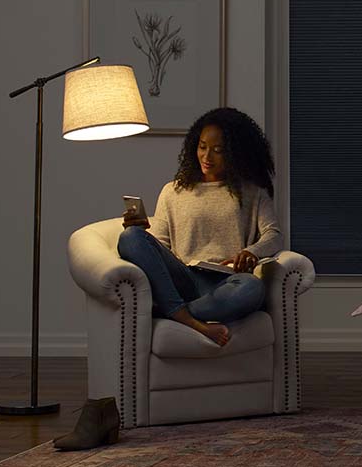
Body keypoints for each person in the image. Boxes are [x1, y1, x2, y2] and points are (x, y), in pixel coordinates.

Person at [117, 107, 283, 347]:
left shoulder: (253, 193)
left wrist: (251, 252)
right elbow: (161, 246)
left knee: (252, 288)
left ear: (237, 154)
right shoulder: (173, 191)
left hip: (225, 283)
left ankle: (170, 312)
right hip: (183, 277)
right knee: (130, 236)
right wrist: (144, 235)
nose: (207, 156)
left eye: (218, 151)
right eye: (202, 146)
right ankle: (191, 320)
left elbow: (274, 235)